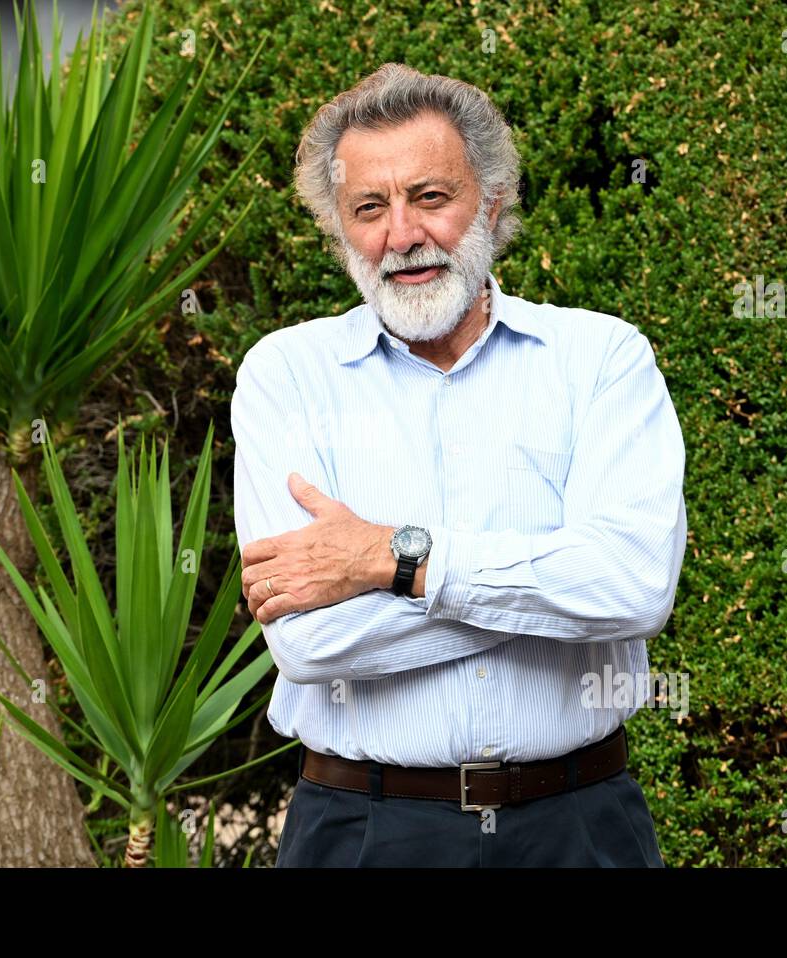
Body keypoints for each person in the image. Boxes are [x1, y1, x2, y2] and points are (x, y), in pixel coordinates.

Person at [231, 62, 686, 867]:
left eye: (431, 198)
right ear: (340, 233)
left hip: (578, 827)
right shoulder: (285, 376)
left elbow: (632, 585)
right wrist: (545, 590)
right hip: (364, 831)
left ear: (493, 201)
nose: (402, 235)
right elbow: (308, 646)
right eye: (369, 208)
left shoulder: (600, 358)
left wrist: (390, 559)